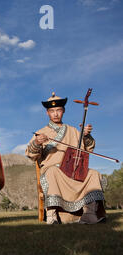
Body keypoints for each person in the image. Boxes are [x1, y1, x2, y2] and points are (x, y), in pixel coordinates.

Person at [26, 92, 106, 224]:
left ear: (63, 111)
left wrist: (85, 136)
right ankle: (52, 214)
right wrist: (37, 143)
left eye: (58, 110)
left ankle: (89, 214)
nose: (55, 114)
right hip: (54, 170)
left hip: (74, 170)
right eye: (52, 111)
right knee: (52, 172)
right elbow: (31, 154)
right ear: (47, 113)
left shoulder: (74, 131)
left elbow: (88, 150)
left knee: (93, 174)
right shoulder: (41, 132)